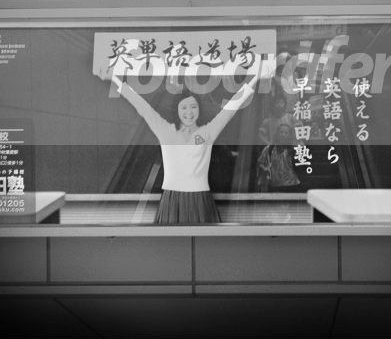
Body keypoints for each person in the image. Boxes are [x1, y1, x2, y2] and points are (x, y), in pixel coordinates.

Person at [97, 59, 273, 224]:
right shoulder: (166, 131)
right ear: (177, 111)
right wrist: (114, 79)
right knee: (173, 243)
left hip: (200, 198)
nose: (189, 112)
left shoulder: (207, 132)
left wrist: (255, 78)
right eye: (184, 107)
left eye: (193, 107)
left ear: (199, 110)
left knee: (204, 242)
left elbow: (232, 106)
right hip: (172, 199)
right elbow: (141, 106)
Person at [256, 124, 300, 192]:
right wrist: (265, 169)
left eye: (286, 133)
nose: (283, 134)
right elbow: (260, 162)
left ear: (290, 135)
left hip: (292, 183)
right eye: (281, 132)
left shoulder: (295, 148)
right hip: (274, 183)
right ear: (277, 133)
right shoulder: (269, 148)